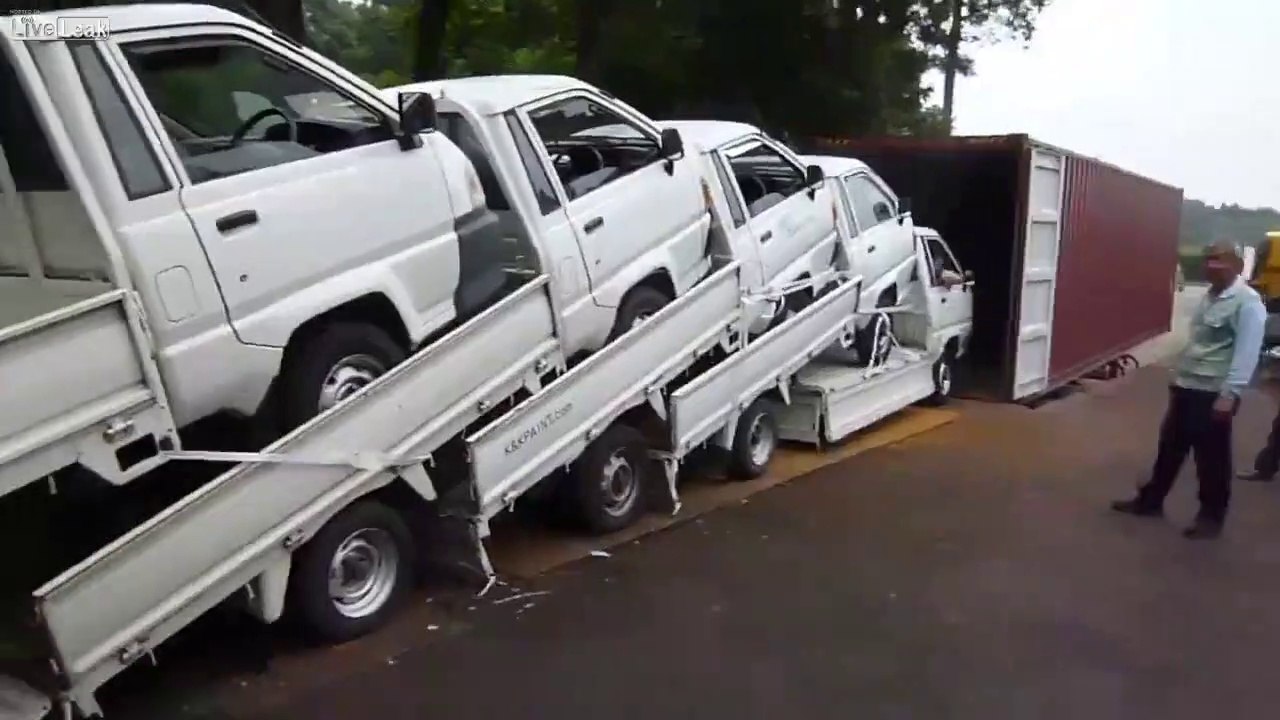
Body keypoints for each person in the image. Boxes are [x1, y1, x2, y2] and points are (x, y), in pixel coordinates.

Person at [1111, 241, 1266, 539]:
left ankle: (1211, 516)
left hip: (1213, 393)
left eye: (1218, 260)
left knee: (1211, 458)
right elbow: (1198, 343)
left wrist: (1229, 395)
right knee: (1169, 448)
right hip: (1187, 386)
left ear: (1235, 265)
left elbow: (1247, 353)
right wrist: (1177, 375)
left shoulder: (1247, 303)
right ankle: (1151, 501)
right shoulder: (1210, 297)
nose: (1210, 265)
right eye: (1208, 260)